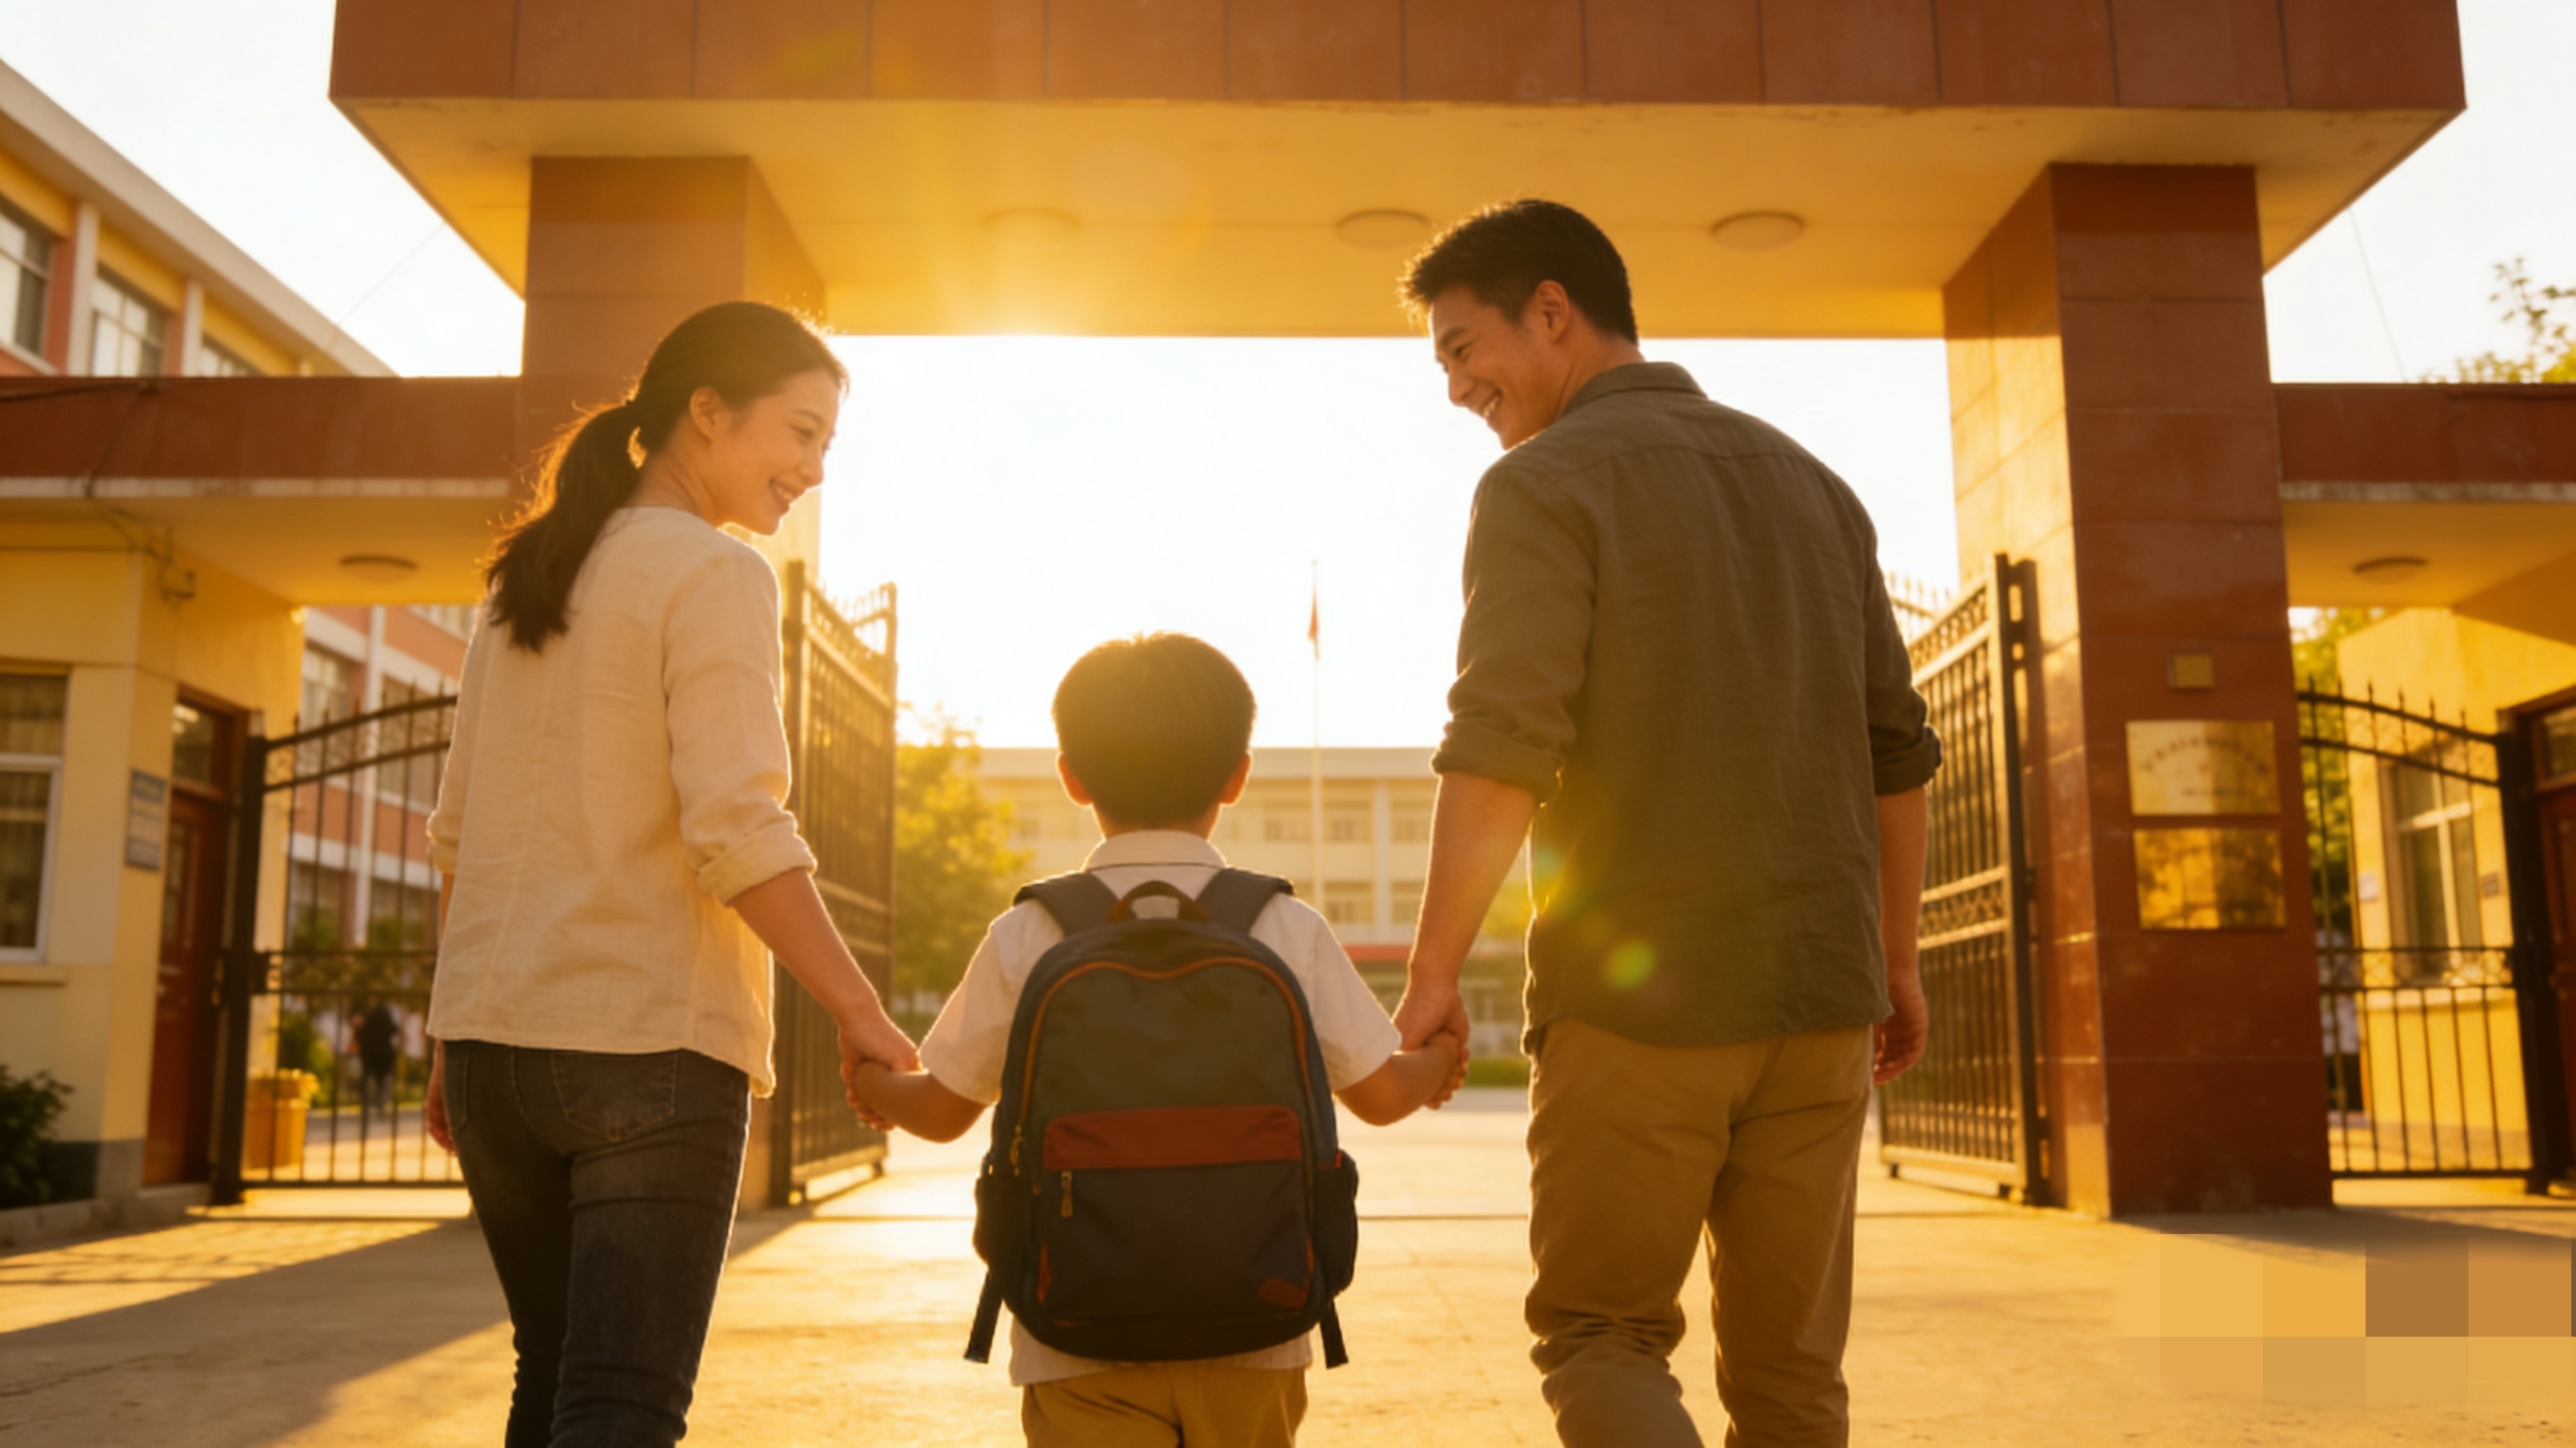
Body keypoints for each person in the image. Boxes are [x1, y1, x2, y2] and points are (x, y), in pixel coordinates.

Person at [1387, 200, 1940, 1448]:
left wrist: (1430, 972)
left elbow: (1500, 743)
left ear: (1550, 308)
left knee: (1601, 1333)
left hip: (1639, 1009)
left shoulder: (1540, 486)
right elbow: (1894, 755)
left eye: (1462, 348)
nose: (1456, 385)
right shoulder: (1816, 487)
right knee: (1794, 1375)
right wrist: (1892, 960)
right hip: (1820, 1000)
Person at [421, 300, 917, 1448]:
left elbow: (458, 833)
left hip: (495, 1052)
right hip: (647, 1044)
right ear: (705, 412)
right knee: (621, 1404)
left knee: (549, 1378)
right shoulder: (715, 574)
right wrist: (859, 1009)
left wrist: (452, 1033)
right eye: (800, 432)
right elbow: (737, 826)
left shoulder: (519, 588)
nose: (813, 469)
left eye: (828, 445)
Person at [849, 632, 1463, 1448]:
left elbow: (940, 1109)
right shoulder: (1283, 924)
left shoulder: (1030, 929)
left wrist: (870, 1080)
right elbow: (1383, 1095)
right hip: (1260, 1323)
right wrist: (1442, 1055)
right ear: (1237, 775)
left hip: (1074, 1329)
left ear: (1070, 776)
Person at [353, 997, 399, 1119]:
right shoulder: (386, 1015)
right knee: (382, 1082)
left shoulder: (368, 1016)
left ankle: (366, 1107)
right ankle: (380, 1107)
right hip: (383, 1054)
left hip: (369, 1053)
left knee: (366, 1080)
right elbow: (394, 1031)